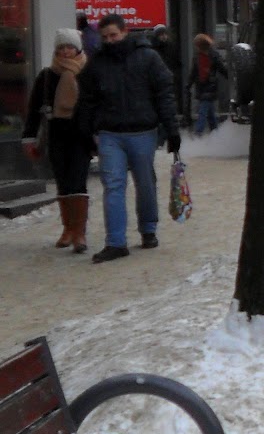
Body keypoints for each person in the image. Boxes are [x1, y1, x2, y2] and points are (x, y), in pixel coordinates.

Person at [77, 14, 180, 262]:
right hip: (110, 133)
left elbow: (164, 94)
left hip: (142, 131)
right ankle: (115, 242)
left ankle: (148, 229)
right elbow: (87, 100)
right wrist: (86, 132)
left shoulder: (148, 57)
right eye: (105, 37)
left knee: (145, 183)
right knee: (113, 186)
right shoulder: (97, 63)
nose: (109, 41)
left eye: (113, 35)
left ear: (125, 31)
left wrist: (172, 129)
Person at [21, 28, 94, 252]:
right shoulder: (47, 75)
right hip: (56, 135)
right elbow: (34, 109)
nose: (65, 51)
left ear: (77, 48)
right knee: (62, 181)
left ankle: (80, 232)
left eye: (69, 46)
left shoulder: (88, 72)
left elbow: (98, 104)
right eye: (61, 47)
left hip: (81, 136)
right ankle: (68, 229)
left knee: (78, 180)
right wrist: (29, 137)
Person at [187, 32, 226, 136]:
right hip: (203, 87)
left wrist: (189, 84)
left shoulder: (211, 56)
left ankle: (198, 133)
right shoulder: (200, 57)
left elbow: (222, 68)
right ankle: (215, 133)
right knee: (210, 113)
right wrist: (189, 84)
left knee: (203, 111)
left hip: (209, 87)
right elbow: (194, 72)